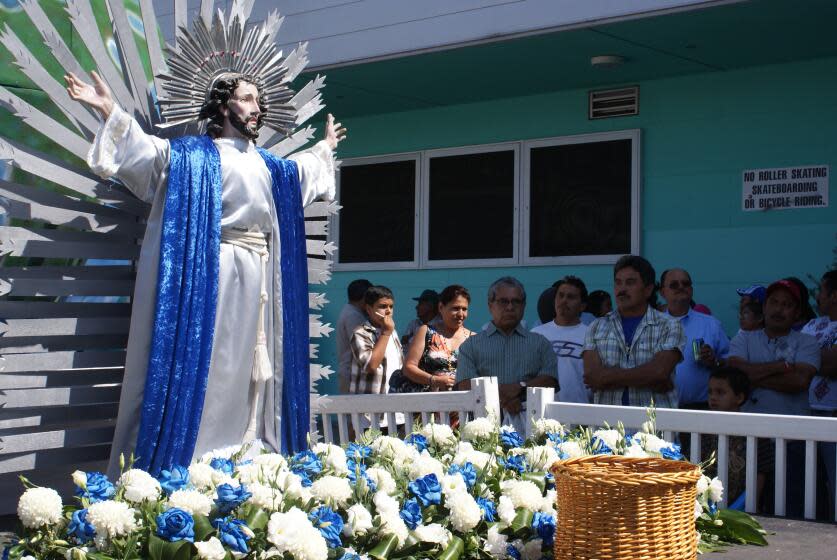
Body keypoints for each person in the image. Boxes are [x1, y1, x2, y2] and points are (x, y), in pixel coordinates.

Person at [66, 68, 345, 475]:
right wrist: (109, 109)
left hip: (263, 279)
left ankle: (250, 451)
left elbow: (303, 171)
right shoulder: (194, 156)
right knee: (212, 362)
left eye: (258, 101)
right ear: (222, 104)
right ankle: (198, 455)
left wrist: (325, 147)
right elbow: (148, 153)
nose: (257, 108)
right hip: (209, 274)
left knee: (256, 370)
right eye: (247, 98)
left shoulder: (271, 167)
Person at [728, 279, 820, 516]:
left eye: (786, 304)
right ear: (765, 306)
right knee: (746, 509)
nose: (778, 309)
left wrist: (752, 376)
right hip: (750, 440)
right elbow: (736, 376)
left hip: (793, 441)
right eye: (774, 302)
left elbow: (799, 382)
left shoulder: (808, 342)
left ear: (797, 312)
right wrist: (781, 366)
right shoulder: (743, 339)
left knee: (791, 510)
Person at [455, 277, 557, 433]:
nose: (510, 307)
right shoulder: (470, 346)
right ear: (490, 305)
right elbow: (465, 385)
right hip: (484, 431)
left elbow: (550, 380)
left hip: (533, 430)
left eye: (516, 302)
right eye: (503, 301)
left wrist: (519, 388)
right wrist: (503, 397)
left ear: (524, 306)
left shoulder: (540, 344)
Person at [583, 255, 685, 408]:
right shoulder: (596, 327)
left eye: (630, 283)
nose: (622, 289)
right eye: (618, 283)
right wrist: (649, 378)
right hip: (608, 429)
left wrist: (608, 377)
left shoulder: (669, 325)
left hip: (654, 428)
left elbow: (659, 372)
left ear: (648, 289)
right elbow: (592, 378)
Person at [659, 268, 730, 409]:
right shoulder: (651, 325)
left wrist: (714, 361)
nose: (681, 287)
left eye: (685, 284)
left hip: (700, 409)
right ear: (663, 292)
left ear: (691, 290)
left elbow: (731, 365)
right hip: (660, 409)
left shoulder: (711, 324)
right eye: (674, 285)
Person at [802, 270, 837, 518]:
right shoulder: (813, 324)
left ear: (834, 295)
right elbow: (790, 357)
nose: (818, 297)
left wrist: (804, 363)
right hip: (804, 412)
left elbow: (833, 364)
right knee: (807, 481)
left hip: (834, 415)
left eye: (821, 291)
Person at [398, 285, 475, 392]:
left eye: (464, 309)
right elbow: (408, 368)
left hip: (465, 405)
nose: (461, 314)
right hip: (428, 404)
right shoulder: (426, 332)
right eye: (456, 308)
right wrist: (434, 380)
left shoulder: (473, 339)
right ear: (441, 307)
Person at [349, 285, 403, 433]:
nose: (388, 311)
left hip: (395, 410)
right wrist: (385, 333)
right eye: (382, 306)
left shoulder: (392, 332)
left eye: (391, 306)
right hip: (370, 414)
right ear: (368, 309)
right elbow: (371, 365)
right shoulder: (361, 333)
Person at [531, 276, 591, 403]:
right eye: (560, 295)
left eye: (571, 297)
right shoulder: (536, 334)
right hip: (540, 414)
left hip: (579, 415)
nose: (564, 301)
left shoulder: (591, 335)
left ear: (582, 306)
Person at [702, 366, 750, 509]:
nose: (713, 397)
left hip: (741, 508)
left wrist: (746, 506)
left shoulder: (753, 429)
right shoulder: (701, 429)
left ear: (739, 397)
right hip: (705, 504)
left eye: (720, 392)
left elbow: (760, 475)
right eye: (710, 392)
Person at [336, 279, 372, 394]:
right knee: (354, 410)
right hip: (352, 373)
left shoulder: (351, 311)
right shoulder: (354, 316)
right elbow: (362, 346)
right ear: (364, 297)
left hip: (351, 371)